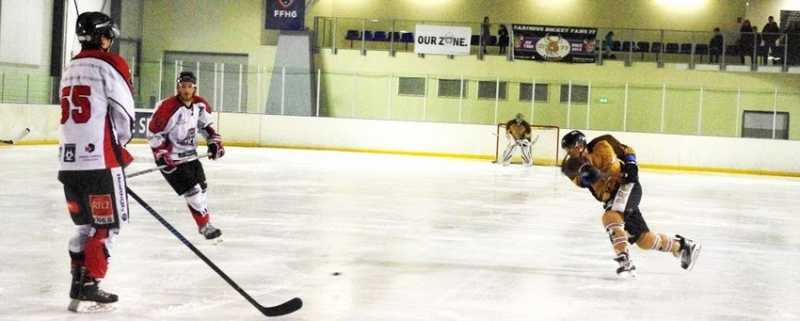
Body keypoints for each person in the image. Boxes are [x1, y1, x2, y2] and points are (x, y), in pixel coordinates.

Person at [59, 11, 133, 312]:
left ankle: (78, 282)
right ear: (104, 37)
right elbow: (124, 114)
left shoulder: (70, 66)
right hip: (101, 161)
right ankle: (91, 284)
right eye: (109, 36)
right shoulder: (112, 63)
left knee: (84, 226)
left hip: (68, 163)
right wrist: (120, 149)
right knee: (108, 225)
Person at [559, 130, 701, 278]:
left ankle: (624, 258)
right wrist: (588, 176)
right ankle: (682, 246)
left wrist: (632, 165)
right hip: (612, 198)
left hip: (627, 187)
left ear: (581, 144)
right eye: (567, 149)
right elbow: (581, 182)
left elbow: (627, 150)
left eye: (571, 147)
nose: (569, 152)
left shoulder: (604, 142)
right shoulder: (571, 166)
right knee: (645, 240)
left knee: (610, 217)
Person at [147, 71, 225, 242]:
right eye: (183, 86)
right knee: (194, 192)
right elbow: (154, 133)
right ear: (178, 87)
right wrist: (160, 153)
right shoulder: (167, 107)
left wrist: (213, 142)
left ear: (194, 87)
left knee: (202, 191)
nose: (186, 90)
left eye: (190, 86)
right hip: (172, 159)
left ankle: (203, 224)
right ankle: (205, 226)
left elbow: (207, 127)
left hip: (191, 156)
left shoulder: (200, 105)